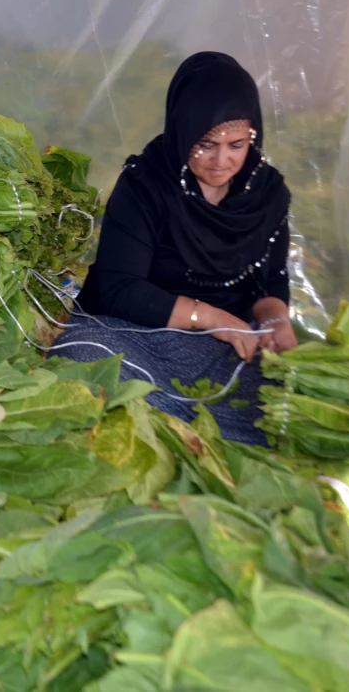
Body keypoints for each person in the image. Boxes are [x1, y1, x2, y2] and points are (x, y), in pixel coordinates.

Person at [52, 51, 295, 444]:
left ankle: (184, 424)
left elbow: (270, 283)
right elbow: (118, 288)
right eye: (205, 144)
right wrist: (212, 318)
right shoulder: (146, 184)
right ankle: (188, 426)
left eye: (236, 144)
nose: (221, 160)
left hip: (224, 347)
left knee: (287, 394)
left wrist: (275, 322)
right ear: (181, 131)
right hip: (139, 333)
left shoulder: (266, 194)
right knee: (86, 355)